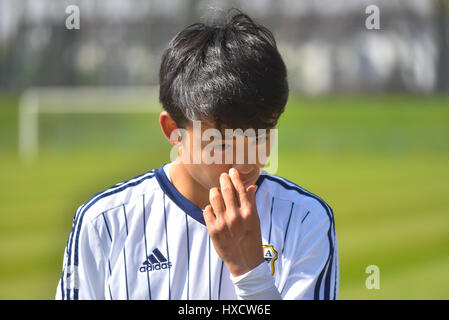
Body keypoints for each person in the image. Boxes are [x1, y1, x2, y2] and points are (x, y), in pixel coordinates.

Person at [56, 10, 338, 300]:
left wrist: (251, 274)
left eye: (260, 135)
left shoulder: (306, 219)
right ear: (173, 129)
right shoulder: (104, 223)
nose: (245, 161)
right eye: (223, 142)